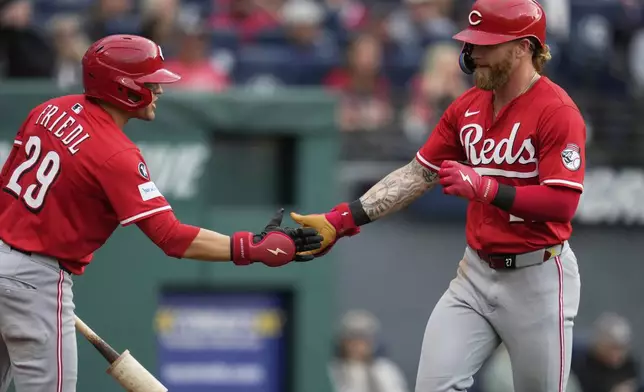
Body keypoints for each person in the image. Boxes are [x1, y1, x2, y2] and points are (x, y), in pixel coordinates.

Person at [0, 34, 322, 392]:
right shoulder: (118, 155)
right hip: (39, 281)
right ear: (124, 89)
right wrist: (249, 248)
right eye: (150, 83)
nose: (159, 91)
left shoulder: (49, 109)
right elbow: (171, 237)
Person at [291, 0, 586, 391]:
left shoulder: (557, 111)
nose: (474, 54)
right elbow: (417, 175)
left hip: (539, 277)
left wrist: (486, 189)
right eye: (472, 43)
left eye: (486, 44)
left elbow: (562, 204)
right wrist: (341, 220)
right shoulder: (466, 108)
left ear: (524, 47)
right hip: (476, 275)